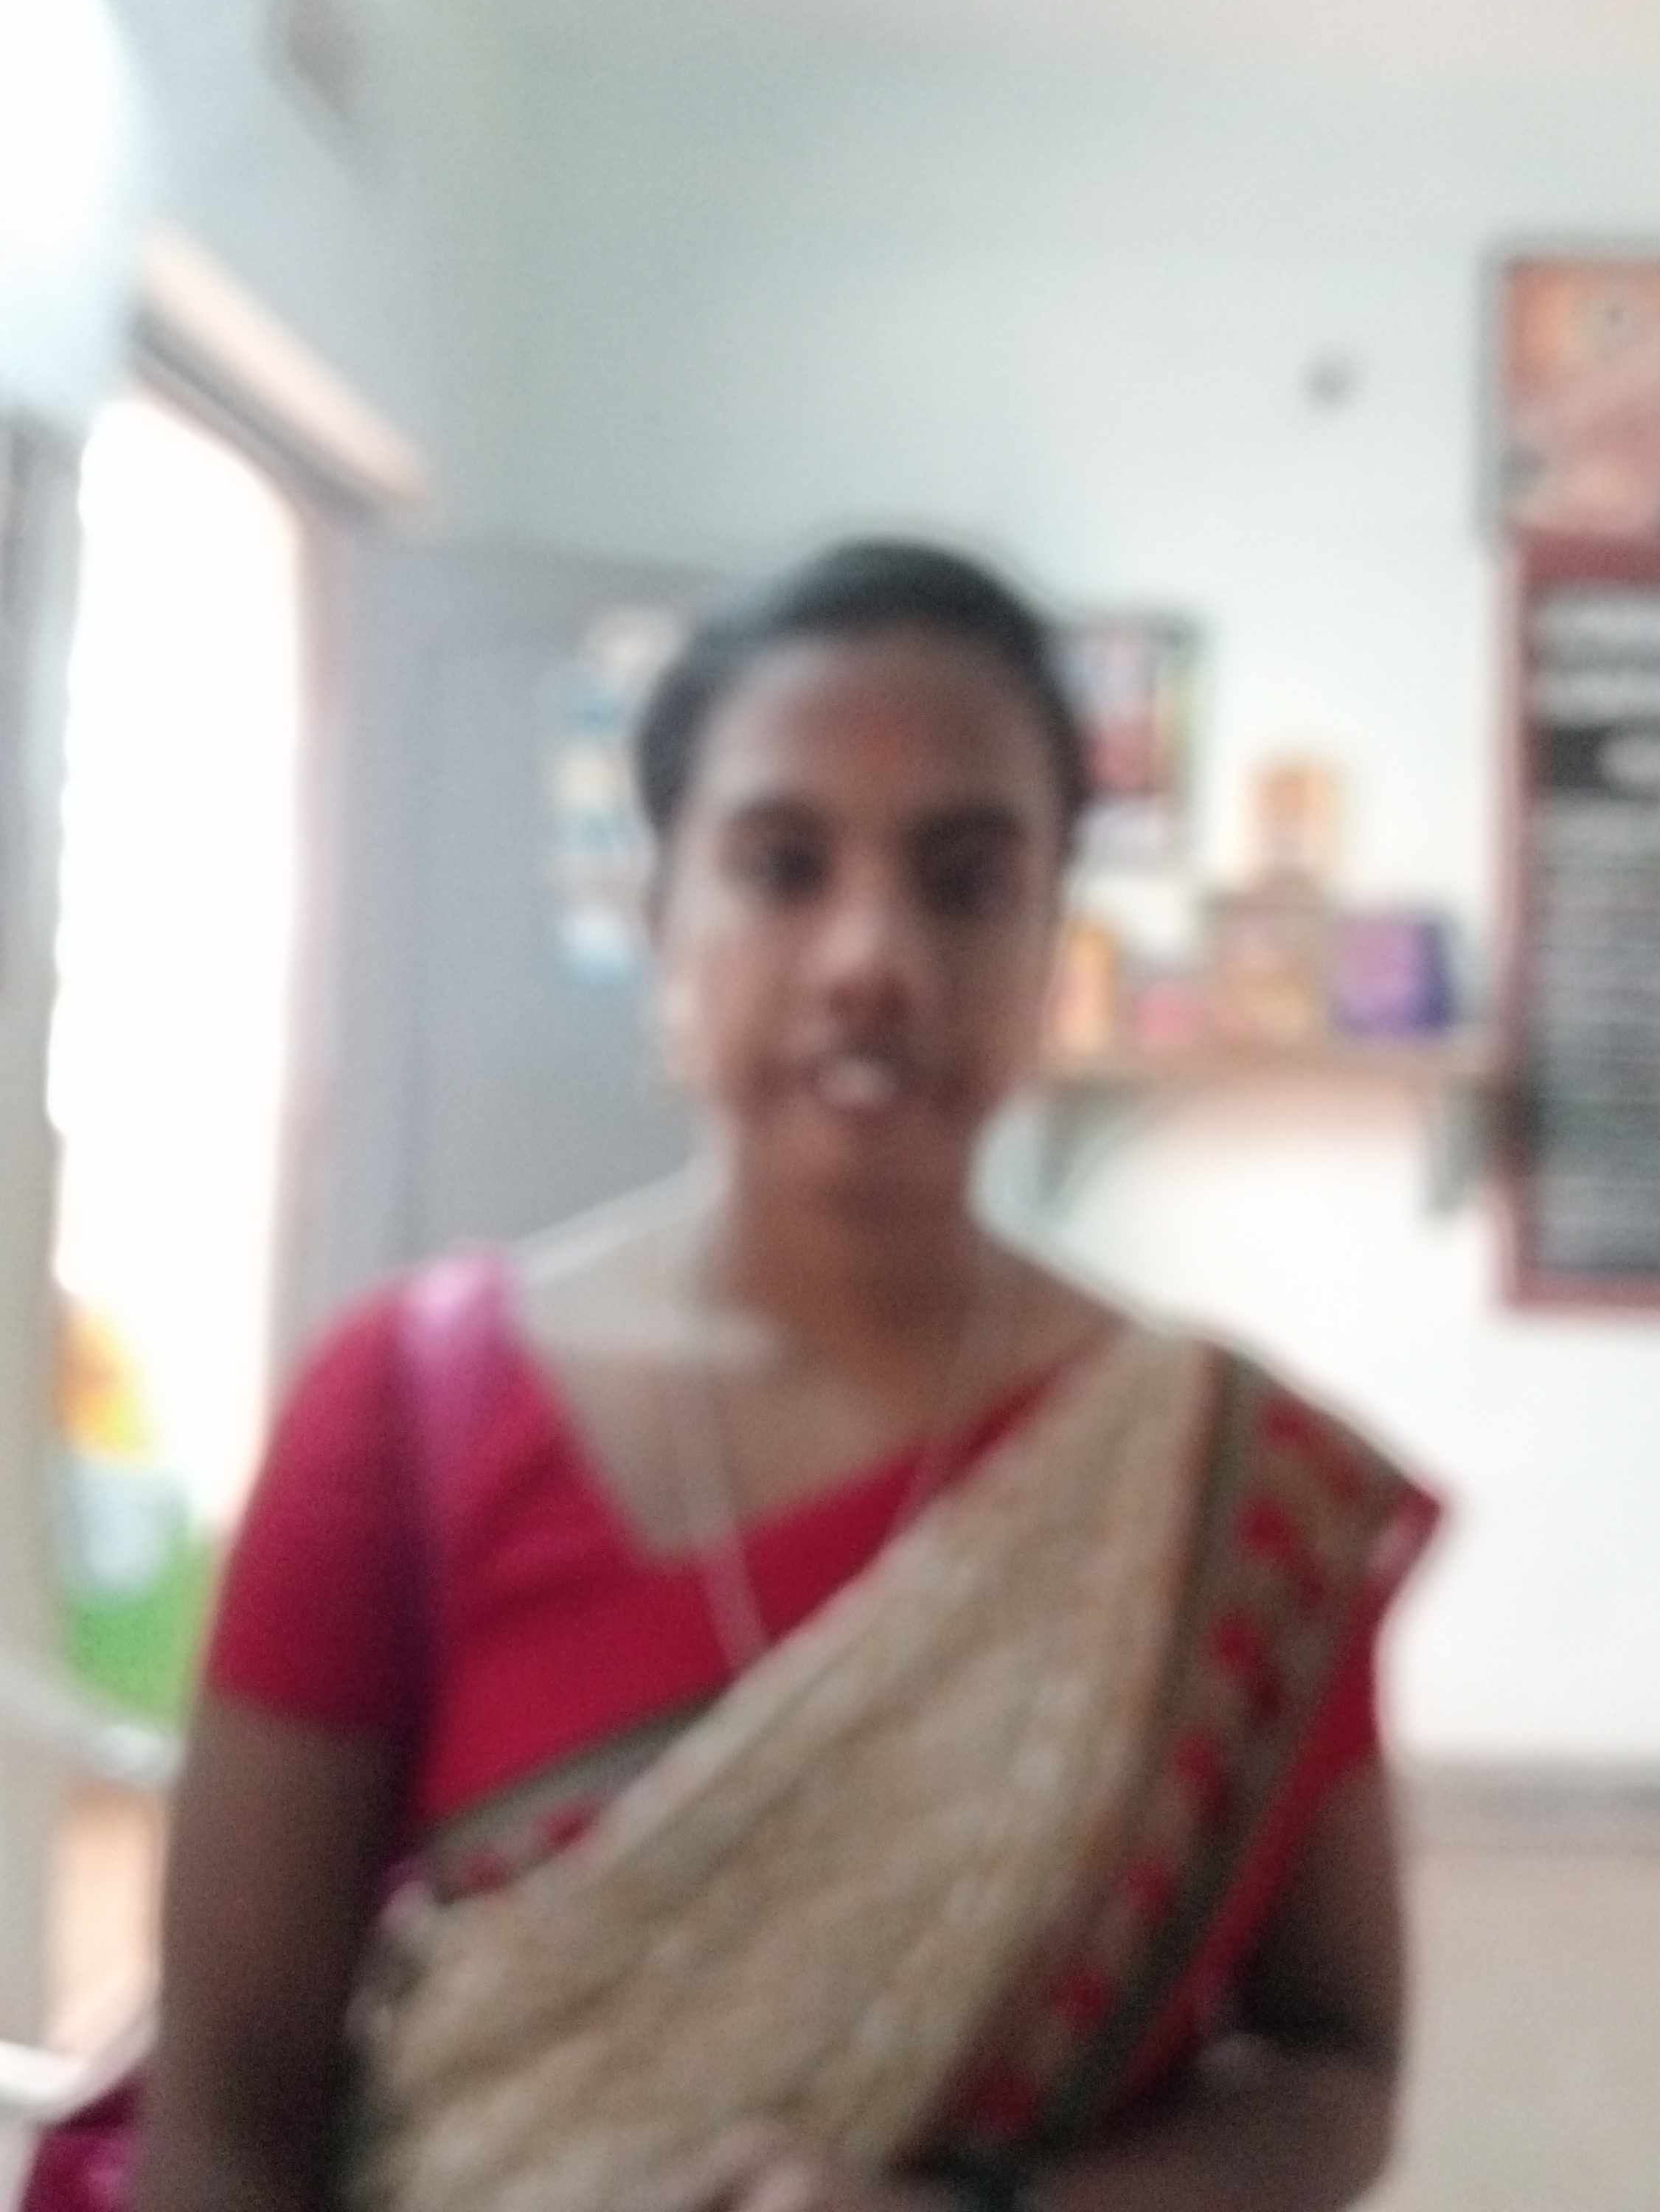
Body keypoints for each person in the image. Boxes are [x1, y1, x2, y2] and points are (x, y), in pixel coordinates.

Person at [134, 541, 1440, 2212]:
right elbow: (226, 2112)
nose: (869, 956)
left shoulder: (1218, 1491)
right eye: (782, 867)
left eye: (964, 882)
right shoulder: (401, 1416)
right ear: (660, 918)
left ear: (1051, 937)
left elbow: (1334, 2072)